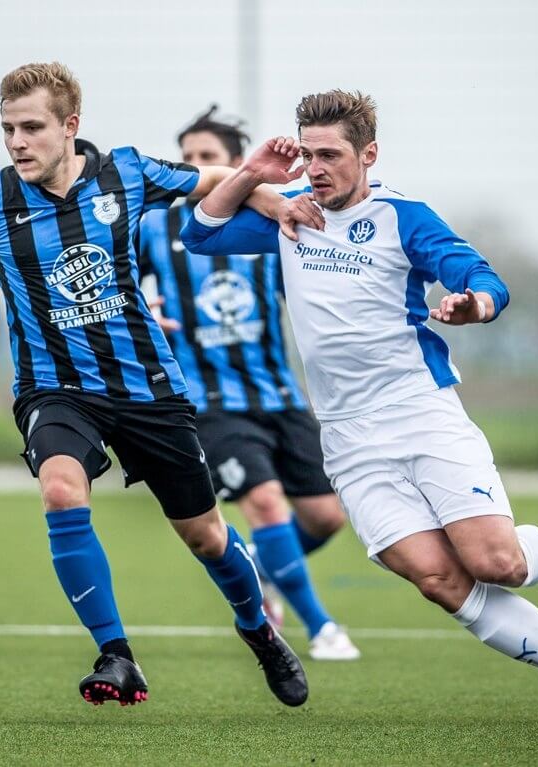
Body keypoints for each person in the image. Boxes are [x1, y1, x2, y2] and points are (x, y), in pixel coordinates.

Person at [0, 62, 314, 708]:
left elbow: (214, 181)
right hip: (53, 389)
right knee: (59, 488)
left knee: (207, 535)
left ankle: (259, 630)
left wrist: (272, 198)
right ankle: (116, 653)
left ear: (70, 125)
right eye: (7, 129)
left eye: (31, 128)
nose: (16, 142)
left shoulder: (126, 172)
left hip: (146, 385)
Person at [180, 89, 538, 726]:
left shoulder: (403, 217)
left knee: (496, 563)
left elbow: (483, 278)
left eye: (331, 155)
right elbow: (198, 235)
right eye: (308, 154)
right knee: (439, 580)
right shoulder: (292, 213)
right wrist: (254, 173)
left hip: (420, 413)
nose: (316, 168)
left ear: (368, 154)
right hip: (347, 437)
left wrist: (474, 305)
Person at [139, 107, 359, 661]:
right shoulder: (156, 226)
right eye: (187, 158)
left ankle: (262, 567)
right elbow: (117, 288)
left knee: (327, 516)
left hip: (279, 393)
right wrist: (144, 309)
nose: (194, 166)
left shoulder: (273, 224)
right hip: (209, 401)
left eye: (207, 157)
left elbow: (316, 289)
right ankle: (322, 627)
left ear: (237, 163)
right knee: (264, 502)